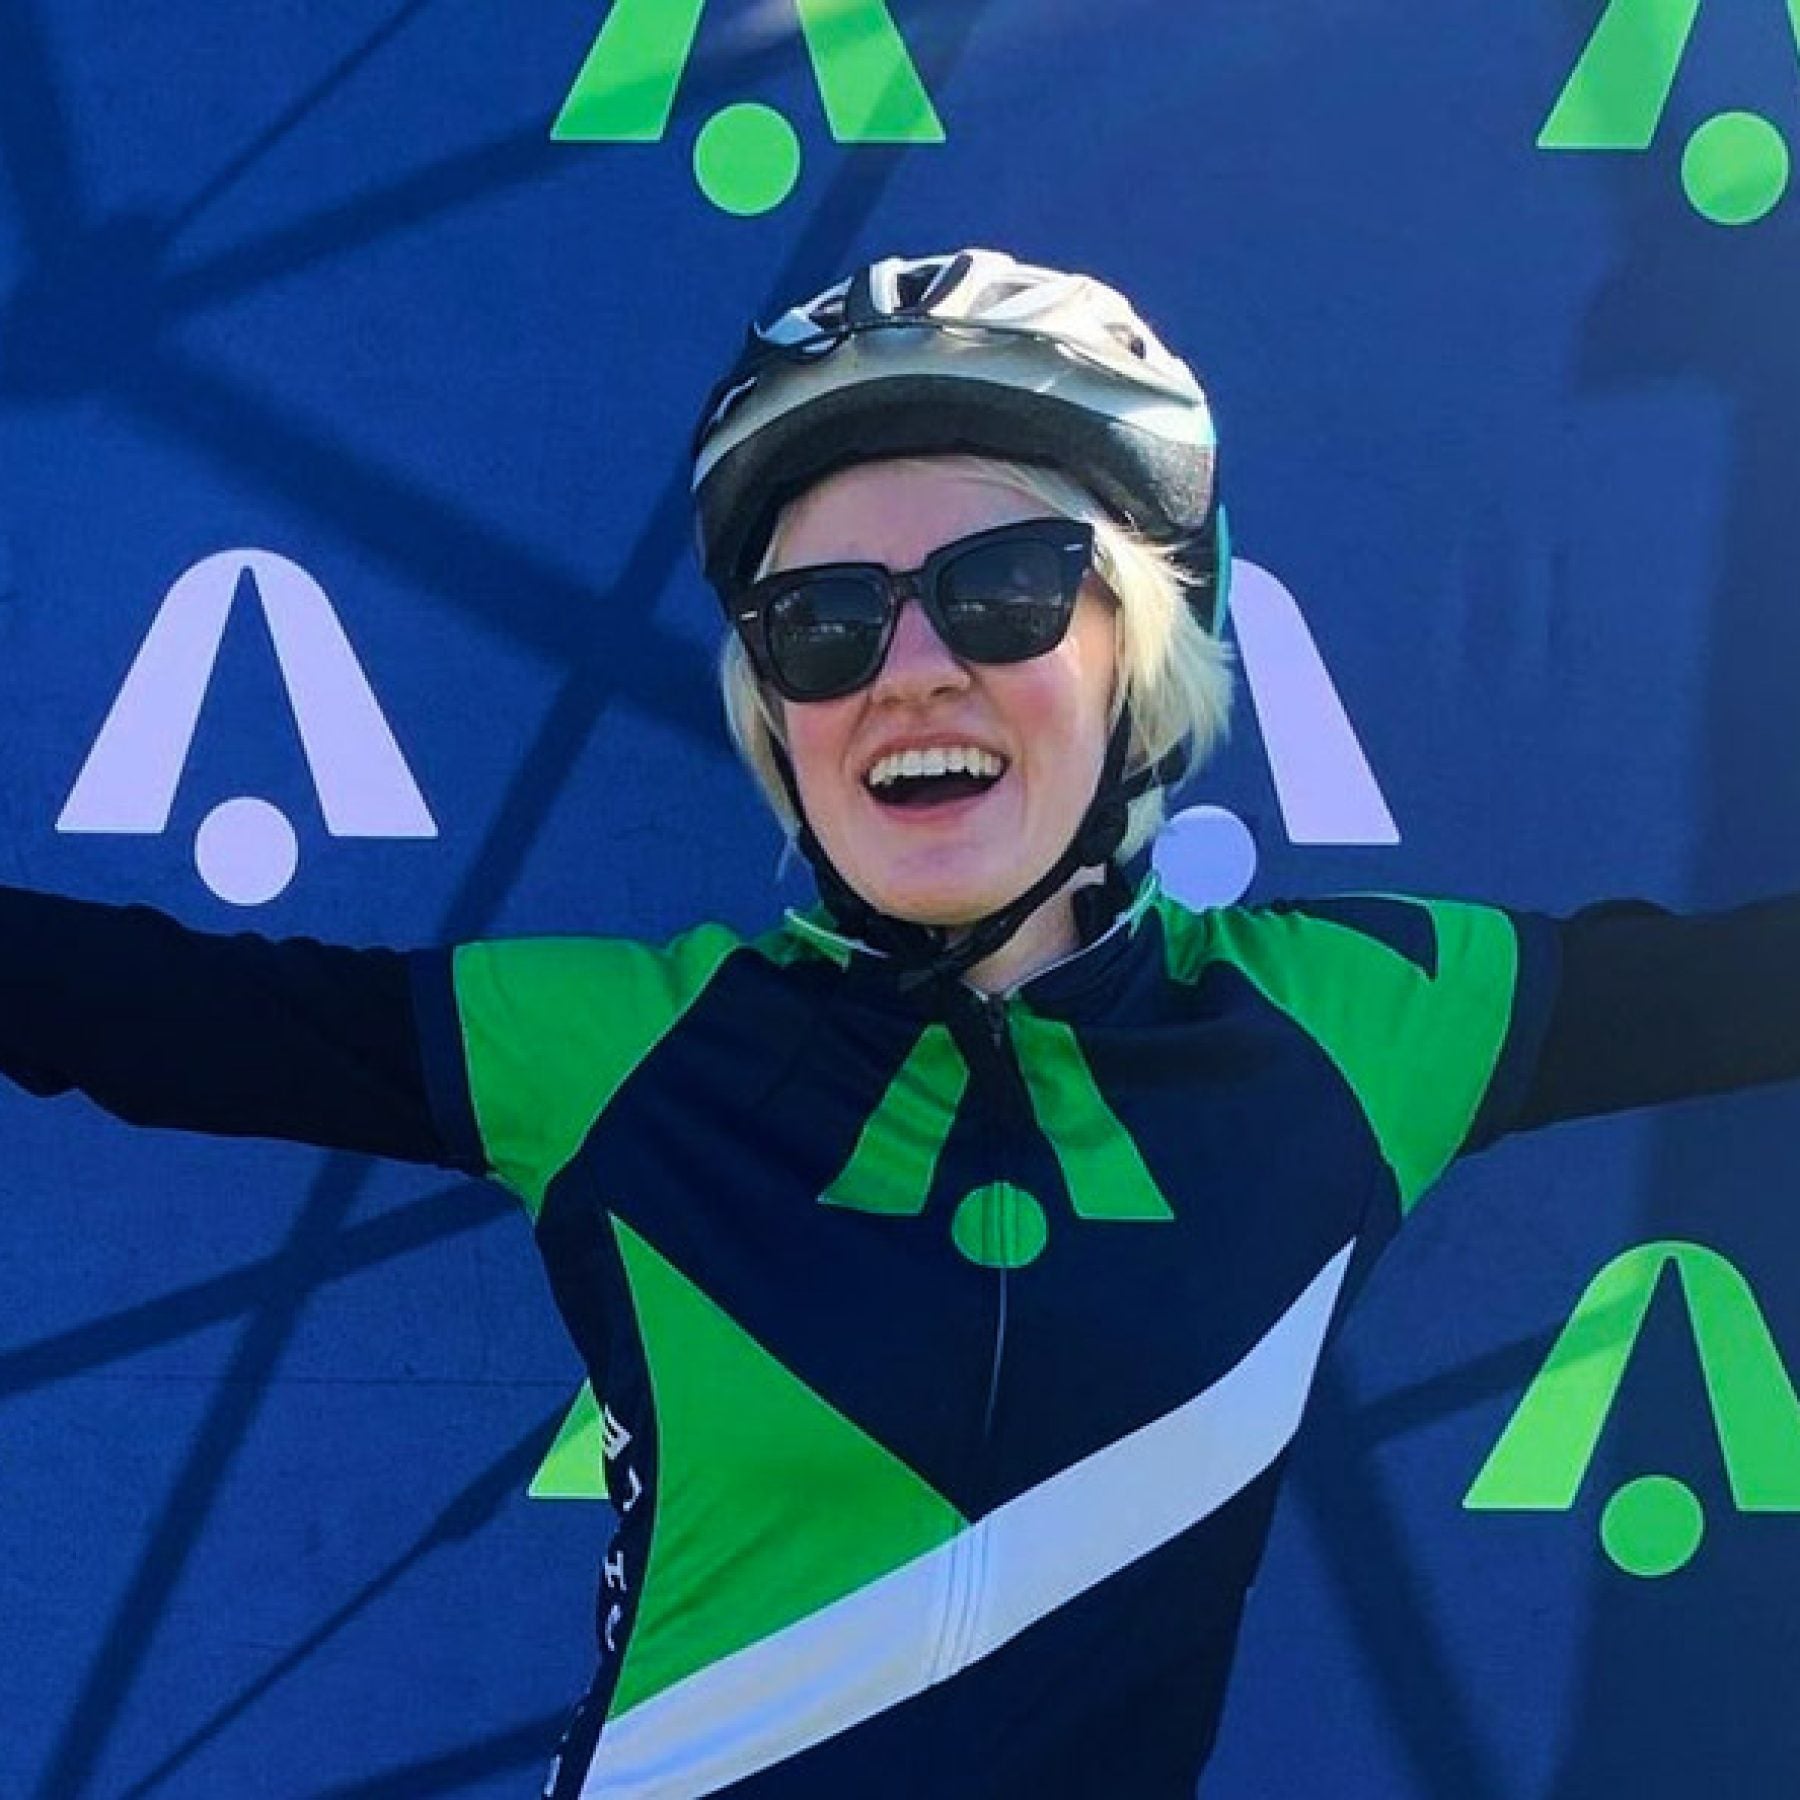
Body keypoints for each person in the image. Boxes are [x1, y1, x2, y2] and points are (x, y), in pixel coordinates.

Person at [6, 246, 1800, 1799]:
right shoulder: (628, 1050)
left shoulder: (1361, 1023)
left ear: (1142, 655)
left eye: (1007, 589)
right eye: (824, 623)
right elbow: (144, 1012)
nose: (915, 665)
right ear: (775, 714)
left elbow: (1739, 993)